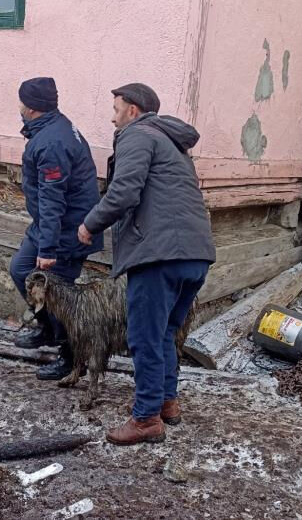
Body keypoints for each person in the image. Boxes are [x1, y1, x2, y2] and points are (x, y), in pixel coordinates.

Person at [78, 83, 215, 445]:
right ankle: (167, 402)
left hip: (159, 254)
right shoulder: (170, 141)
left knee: (144, 337)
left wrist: (90, 224)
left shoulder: (136, 135)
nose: (112, 115)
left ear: (133, 110)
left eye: (116, 107)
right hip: (196, 253)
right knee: (166, 332)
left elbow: (124, 192)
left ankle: (146, 419)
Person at [9, 77, 103, 380]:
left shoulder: (52, 141)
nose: (19, 106)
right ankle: (46, 329)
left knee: (60, 297)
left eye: (21, 101)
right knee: (21, 270)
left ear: (32, 107)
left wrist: (48, 249)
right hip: (48, 227)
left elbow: (53, 198)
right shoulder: (52, 128)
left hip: (65, 232)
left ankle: (72, 357)